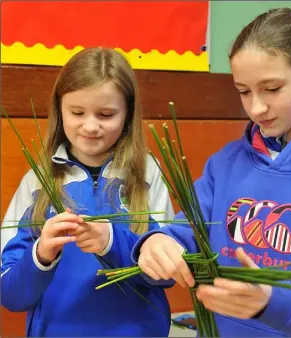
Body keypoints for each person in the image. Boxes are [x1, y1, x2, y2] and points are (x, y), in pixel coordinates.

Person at [134, 8, 291, 337]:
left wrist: (272, 303)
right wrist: (155, 244)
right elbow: (183, 236)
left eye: (272, 89)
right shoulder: (224, 164)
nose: (255, 108)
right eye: (243, 91)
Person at [1, 47, 174, 337]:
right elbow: (10, 294)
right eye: (77, 112)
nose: (91, 126)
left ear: (128, 114)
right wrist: (42, 254)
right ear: (59, 110)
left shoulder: (147, 173)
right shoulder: (38, 181)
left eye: (106, 114)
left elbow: (166, 274)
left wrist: (112, 242)